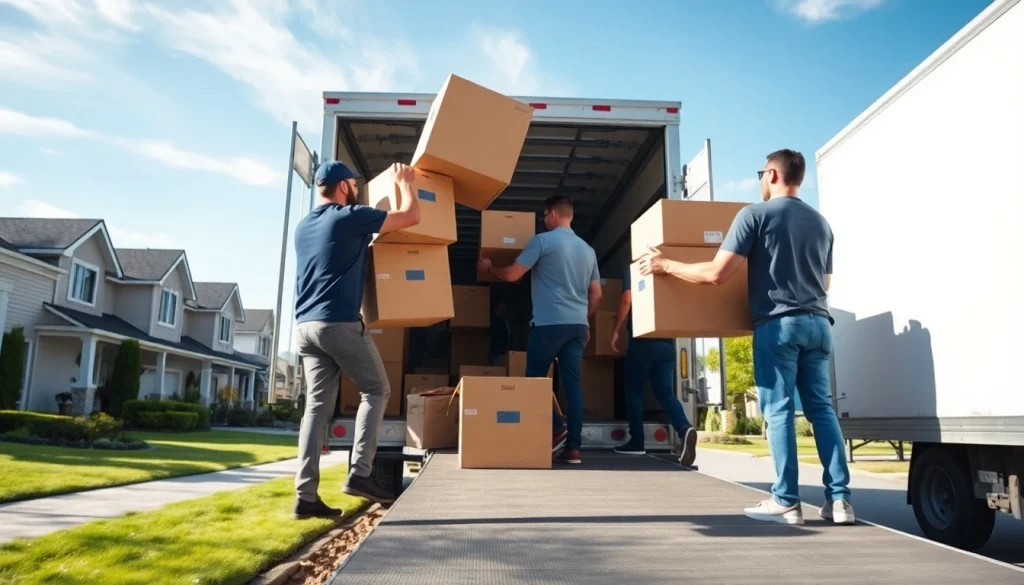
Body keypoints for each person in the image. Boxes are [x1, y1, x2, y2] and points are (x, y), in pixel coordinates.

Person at [638, 149, 854, 526]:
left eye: (760, 174)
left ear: (771, 174)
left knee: (779, 411)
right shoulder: (822, 224)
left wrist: (665, 264)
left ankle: (786, 500)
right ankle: (840, 503)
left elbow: (717, 275)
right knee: (822, 411)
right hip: (820, 323)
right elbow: (826, 283)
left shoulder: (755, 215)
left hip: (779, 325)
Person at [292, 161, 421, 519]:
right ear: (345, 187)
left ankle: (305, 496)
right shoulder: (349, 216)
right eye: (354, 184)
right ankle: (360, 474)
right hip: (338, 325)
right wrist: (404, 183)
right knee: (377, 390)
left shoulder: (304, 227)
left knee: (315, 410)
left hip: (305, 328)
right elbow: (410, 217)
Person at [478, 195, 601, 465]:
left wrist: (490, 269)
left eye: (544, 216)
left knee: (534, 381)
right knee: (572, 385)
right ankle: (574, 449)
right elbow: (596, 293)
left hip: (549, 324)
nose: (543, 221)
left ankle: (557, 429)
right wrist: (585, 320)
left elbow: (512, 275)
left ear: (553, 214)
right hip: (578, 326)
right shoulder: (588, 250)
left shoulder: (542, 241)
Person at [610, 266, 697, 466]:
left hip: (643, 340)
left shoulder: (636, 268)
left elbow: (626, 299)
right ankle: (684, 428)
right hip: (667, 343)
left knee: (633, 391)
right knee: (665, 392)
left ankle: (637, 442)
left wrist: (616, 330)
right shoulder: (671, 269)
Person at [489, 300, 512, 366]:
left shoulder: (502, 320)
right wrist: (503, 349)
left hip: (499, 353)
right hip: (497, 353)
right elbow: (497, 335)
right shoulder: (495, 320)